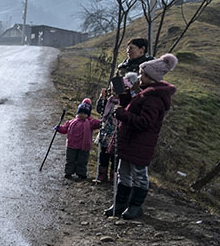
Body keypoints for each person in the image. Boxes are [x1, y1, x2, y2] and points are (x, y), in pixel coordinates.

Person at [105, 53, 178, 219]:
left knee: (139, 175)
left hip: (140, 144)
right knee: (122, 172)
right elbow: (132, 109)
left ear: (152, 77)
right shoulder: (145, 93)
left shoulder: (154, 98)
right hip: (130, 142)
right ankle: (120, 204)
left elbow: (145, 122)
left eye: (143, 74)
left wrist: (122, 114)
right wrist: (123, 97)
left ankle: (135, 206)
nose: (139, 77)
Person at [94, 72, 137, 184]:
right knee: (103, 154)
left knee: (115, 156)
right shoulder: (108, 100)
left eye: (115, 90)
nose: (113, 92)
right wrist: (102, 99)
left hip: (117, 132)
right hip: (106, 131)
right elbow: (100, 110)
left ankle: (114, 176)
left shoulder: (126, 103)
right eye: (112, 90)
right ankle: (101, 174)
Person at [54, 98, 102, 181]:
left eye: (84, 113)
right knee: (70, 160)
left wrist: (103, 120)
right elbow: (65, 129)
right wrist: (59, 128)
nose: (82, 115)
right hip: (71, 145)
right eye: (80, 112)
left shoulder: (90, 122)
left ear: (88, 114)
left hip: (84, 147)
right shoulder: (72, 122)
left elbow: (98, 123)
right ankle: (68, 172)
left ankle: (81, 174)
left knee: (82, 161)